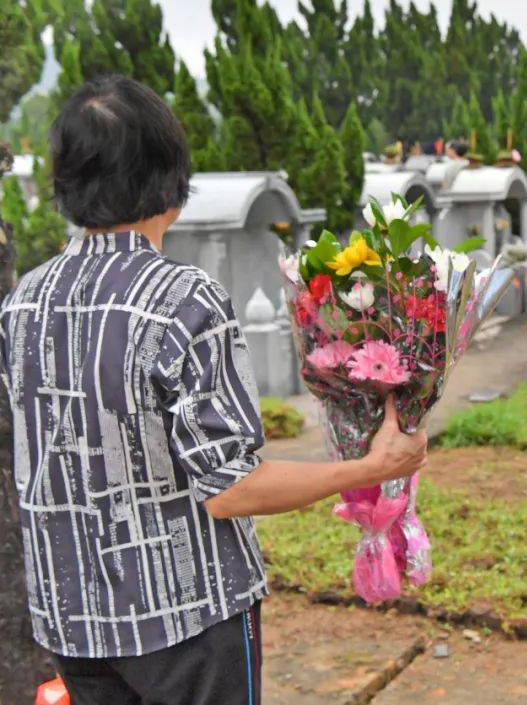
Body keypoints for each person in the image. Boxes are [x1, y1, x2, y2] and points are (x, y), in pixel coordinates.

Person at [0, 75, 429, 705]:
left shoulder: (22, 304)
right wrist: (369, 467)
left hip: (73, 625)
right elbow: (231, 490)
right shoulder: (183, 301)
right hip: (186, 624)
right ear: (171, 178)